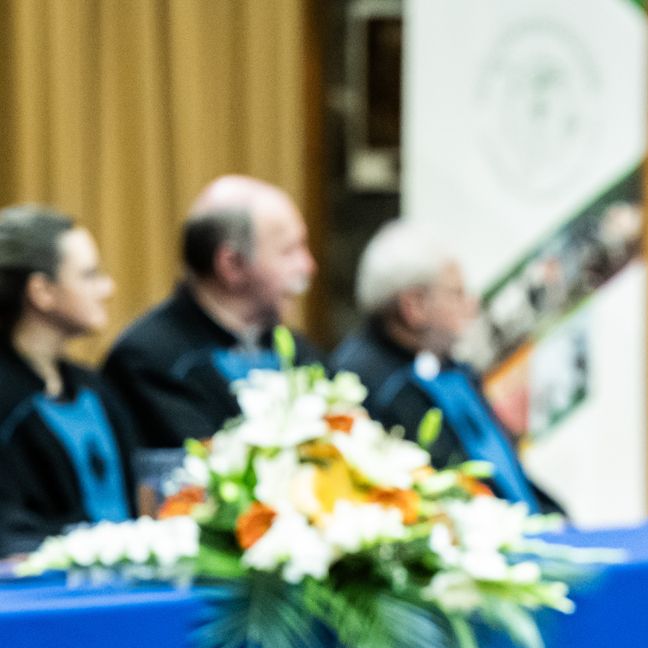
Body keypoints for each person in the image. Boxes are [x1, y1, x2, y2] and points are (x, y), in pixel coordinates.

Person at [330, 221, 560, 514]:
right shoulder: (366, 386)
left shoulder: (452, 368)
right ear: (414, 306)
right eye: (457, 293)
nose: (472, 305)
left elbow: (505, 472)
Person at [103, 175, 321, 447]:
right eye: (289, 251)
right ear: (232, 265)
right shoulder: (149, 361)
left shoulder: (296, 349)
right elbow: (211, 462)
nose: (308, 266)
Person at [0, 206, 140, 554]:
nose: (108, 288)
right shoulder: (8, 405)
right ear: (41, 291)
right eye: (90, 275)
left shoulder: (96, 389)